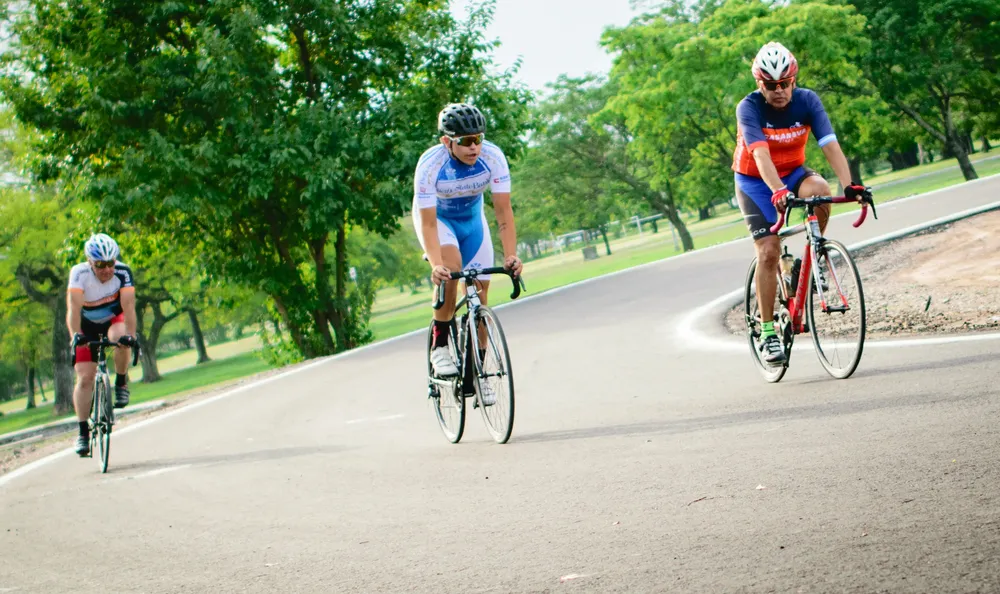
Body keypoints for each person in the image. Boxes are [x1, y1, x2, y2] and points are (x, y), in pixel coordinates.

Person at [732, 41, 869, 366]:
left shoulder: (807, 101)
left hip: (794, 172)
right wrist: (778, 190)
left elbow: (830, 144)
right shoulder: (748, 108)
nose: (778, 91)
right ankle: (767, 333)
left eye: (784, 84)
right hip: (755, 181)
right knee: (768, 251)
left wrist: (850, 186)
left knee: (820, 189)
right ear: (759, 84)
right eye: (770, 85)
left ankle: (813, 257)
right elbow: (760, 154)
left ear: (793, 80)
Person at [412, 103, 523, 404]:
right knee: (450, 270)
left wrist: (510, 255)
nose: (474, 147)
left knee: (480, 296)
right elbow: (428, 222)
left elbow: (502, 211)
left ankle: (480, 373)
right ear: (447, 141)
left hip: (473, 222)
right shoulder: (430, 164)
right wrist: (435, 263)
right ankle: (440, 346)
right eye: (466, 141)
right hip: (440, 224)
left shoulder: (493, 157)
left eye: (479, 138)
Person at [66, 233, 138, 456]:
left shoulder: (123, 272)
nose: (107, 269)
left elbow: (128, 307)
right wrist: (75, 335)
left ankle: (122, 382)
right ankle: (82, 433)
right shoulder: (79, 274)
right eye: (100, 265)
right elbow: (74, 310)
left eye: (110, 263)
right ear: (90, 262)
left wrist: (132, 336)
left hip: (113, 319)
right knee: (86, 378)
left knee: (120, 337)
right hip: (85, 325)